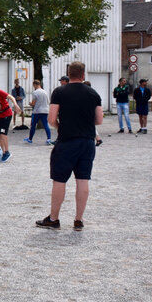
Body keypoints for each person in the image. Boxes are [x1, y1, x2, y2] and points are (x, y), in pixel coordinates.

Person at [35, 62, 102, 231]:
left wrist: (59, 126)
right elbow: (99, 120)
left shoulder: (59, 92)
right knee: (83, 181)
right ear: (83, 74)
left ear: (68, 74)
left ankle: (54, 218)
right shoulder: (93, 93)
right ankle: (78, 220)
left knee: (59, 180)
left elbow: (51, 119)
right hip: (87, 142)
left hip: (67, 141)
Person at [23, 79, 52, 145]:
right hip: (45, 110)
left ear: (35, 85)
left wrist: (30, 103)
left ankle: (30, 139)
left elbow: (33, 103)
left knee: (33, 125)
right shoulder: (45, 92)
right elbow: (47, 101)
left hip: (37, 111)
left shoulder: (35, 92)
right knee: (46, 125)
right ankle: (49, 139)